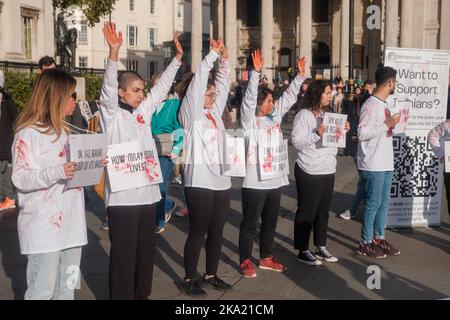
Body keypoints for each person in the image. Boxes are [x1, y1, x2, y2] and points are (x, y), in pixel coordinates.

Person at [99, 22, 182, 299]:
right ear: (122, 93)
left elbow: (160, 90)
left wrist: (177, 61)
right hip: (123, 201)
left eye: (141, 89)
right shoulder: (111, 115)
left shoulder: (143, 112)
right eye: (135, 90)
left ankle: (141, 295)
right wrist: (113, 54)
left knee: (145, 254)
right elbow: (109, 87)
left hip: (147, 196)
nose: (141, 94)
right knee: (123, 257)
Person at [11, 69, 85, 299]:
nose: (76, 101)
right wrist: (58, 171)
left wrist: (90, 164)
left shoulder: (65, 131)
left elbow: (70, 173)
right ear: (56, 97)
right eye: (72, 95)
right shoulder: (28, 134)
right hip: (44, 226)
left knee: (68, 288)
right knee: (42, 290)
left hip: (73, 223)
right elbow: (20, 178)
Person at [238, 50, 306, 277]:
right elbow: (248, 101)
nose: (273, 103)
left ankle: (266, 256)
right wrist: (255, 73)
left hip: (274, 180)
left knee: (270, 223)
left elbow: (288, 99)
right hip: (255, 183)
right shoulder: (249, 122)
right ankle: (245, 260)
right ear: (260, 104)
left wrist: (299, 77)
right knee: (250, 225)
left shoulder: (274, 118)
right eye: (269, 100)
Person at [178, 38, 232, 297]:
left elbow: (221, 86)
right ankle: (189, 277)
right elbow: (199, 82)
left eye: (212, 95)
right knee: (198, 230)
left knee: (217, 230)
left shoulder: (212, 112)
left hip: (221, 179)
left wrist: (224, 62)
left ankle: (211, 273)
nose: (213, 97)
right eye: (208, 95)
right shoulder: (190, 114)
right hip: (199, 180)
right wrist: (211, 56)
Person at [291, 80, 350, 266]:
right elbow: (297, 142)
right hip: (309, 168)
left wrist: (342, 131)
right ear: (317, 94)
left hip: (327, 168)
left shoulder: (326, 114)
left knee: (323, 211)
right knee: (307, 211)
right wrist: (317, 133)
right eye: (326, 92)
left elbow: (333, 141)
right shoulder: (304, 115)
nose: (330, 96)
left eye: (330, 93)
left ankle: (320, 245)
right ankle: (303, 249)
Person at [356, 66, 401, 258]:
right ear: (389, 83)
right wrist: (387, 125)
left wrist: (393, 126)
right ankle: (365, 242)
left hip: (385, 161)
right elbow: (362, 133)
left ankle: (378, 238)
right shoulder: (370, 105)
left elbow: (383, 131)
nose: (396, 85)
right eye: (395, 82)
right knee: (373, 204)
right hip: (372, 163)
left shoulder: (385, 104)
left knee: (383, 203)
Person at [151, 79, 185, 234]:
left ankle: (159, 220)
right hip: (150, 149)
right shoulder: (149, 104)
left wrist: (176, 149)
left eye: (160, 84)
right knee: (151, 185)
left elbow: (179, 128)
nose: (157, 87)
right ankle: (168, 204)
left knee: (160, 185)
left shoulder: (174, 104)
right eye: (155, 84)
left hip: (166, 151)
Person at [0, 71, 18, 211]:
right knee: (3, 173)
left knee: (4, 173)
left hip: (4, 144)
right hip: (4, 144)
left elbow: (16, 119)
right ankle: (9, 197)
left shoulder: (7, 101)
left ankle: (10, 198)